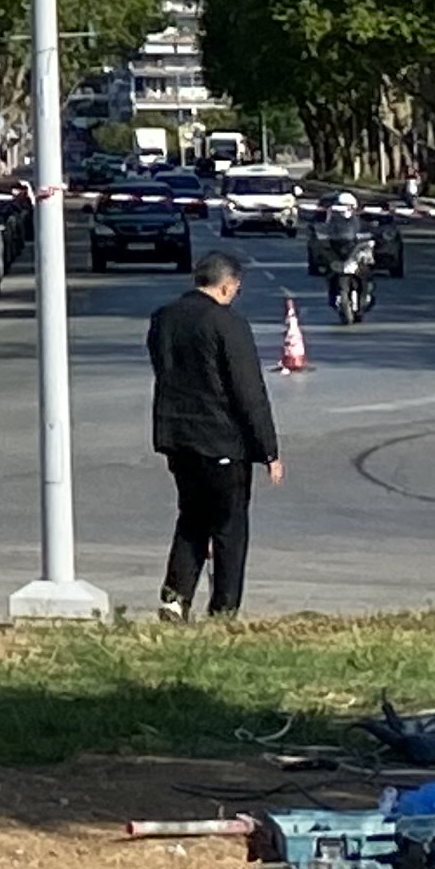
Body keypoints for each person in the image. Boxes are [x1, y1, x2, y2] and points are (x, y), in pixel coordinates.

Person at [147, 250, 281, 620]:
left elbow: (164, 371)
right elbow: (248, 390)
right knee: (228, 526)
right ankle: (223, 608)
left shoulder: (164, 318)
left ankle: (175, 599)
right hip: (221, 440)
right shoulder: (227, 323)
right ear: (227, 285)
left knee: (191, 517)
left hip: (177, 437)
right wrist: (268, 449)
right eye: (236, 288)